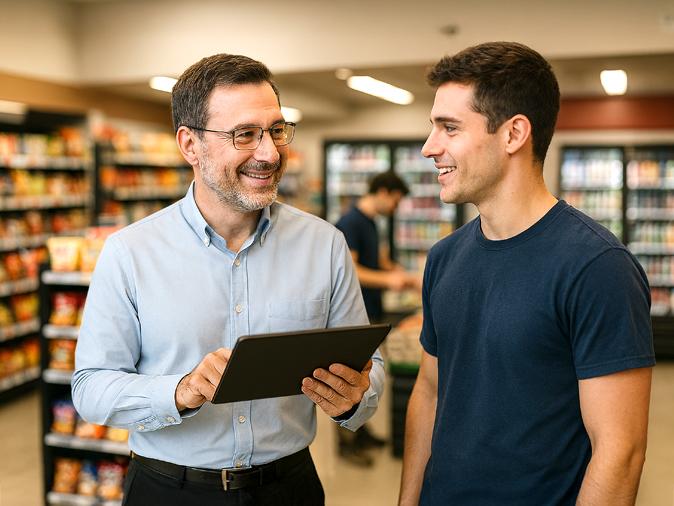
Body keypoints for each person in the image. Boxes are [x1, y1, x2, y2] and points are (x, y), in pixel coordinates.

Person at [71, 53, 385, 506]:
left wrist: (356, 398)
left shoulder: (325, 245)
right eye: (245, 135)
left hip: (289, 488)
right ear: (190, 146)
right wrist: (179, 391)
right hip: (169, 491)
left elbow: (369, 370)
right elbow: (92, 388)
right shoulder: (130, 252)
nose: (270, 153)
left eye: (276, 130)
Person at [398, 41, 655, 506]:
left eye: (449, 128)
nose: (429, 147)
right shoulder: (443, 258)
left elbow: (620, 450)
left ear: (514, 133)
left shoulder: (597, 267)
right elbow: (430, 392)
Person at [334, 170, 420, 465]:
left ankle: (361, 429)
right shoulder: (350, 222)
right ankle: (346, 444)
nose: (396, 208)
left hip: (371, 310)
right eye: (395, 201)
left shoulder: (370, 222)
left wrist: (401, 274)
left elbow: (379, 260)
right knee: (347, 376)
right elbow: (352, 269)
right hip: (353, 314)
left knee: (365, 374)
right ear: (383, 192)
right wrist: (388, 282)